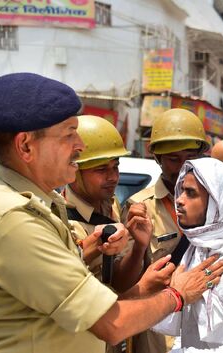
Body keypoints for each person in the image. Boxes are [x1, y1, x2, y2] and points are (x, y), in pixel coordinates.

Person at [0, 73, 223, 353]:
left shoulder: (38, 205)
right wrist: (178, 294)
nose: (80, 145)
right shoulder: (14, 219)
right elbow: (112, 324)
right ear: (26, 146)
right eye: (68, 134)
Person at [154, 158, 223, 352]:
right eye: (181, 190)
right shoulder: (192, 255)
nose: (179, 200)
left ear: (217, 203)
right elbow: (187, 331)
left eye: (191, 193)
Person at [61, 115, 152, 353]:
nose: (113, 177)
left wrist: (139, 248)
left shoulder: (110, 205)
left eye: (115, 166)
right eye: (101, 169)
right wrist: (93, 248)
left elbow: (119, 282)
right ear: (74, 170)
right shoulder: (57, 218)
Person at [125, 108, 210, 353]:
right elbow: (127, 283)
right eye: (174, 159)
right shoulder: (138, 207)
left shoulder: (218, 204)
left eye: (190, 158)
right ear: (158, 159)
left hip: (206, 330)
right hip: (158, 336)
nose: (183, 167)